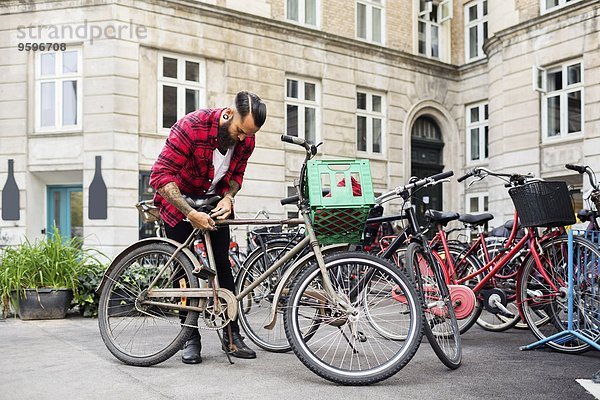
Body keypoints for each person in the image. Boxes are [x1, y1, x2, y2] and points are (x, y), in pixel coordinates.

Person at [149, 91, 267, 364]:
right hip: (179, 203)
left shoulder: (246, 138)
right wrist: (190, 213)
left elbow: (237, 175)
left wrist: (228, 197)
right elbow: (160, 176)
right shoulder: (191, 126)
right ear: (228, 114)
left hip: (214, 202)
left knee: (223, 267)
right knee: (184, 272)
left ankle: (231, 336)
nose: (241, 139)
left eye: (246, 135)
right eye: (239, 131)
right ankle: (189, 337)